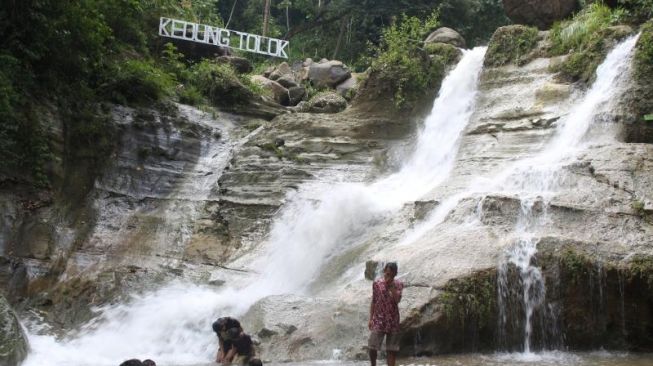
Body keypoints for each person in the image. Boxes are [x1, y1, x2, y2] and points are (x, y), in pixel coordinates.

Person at [368, 262, 403, 366]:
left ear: (395, 274)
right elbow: (374, 301)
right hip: (379, 319)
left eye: (391, 274)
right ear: (384, 271)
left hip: (393, 320)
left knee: (391, 350)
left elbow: (397, 300)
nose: (388, 275)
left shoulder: (399, 284)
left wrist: (391, 287)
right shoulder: (377, 284)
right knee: (372, 347)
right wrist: (371, 318)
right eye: (387, 273)